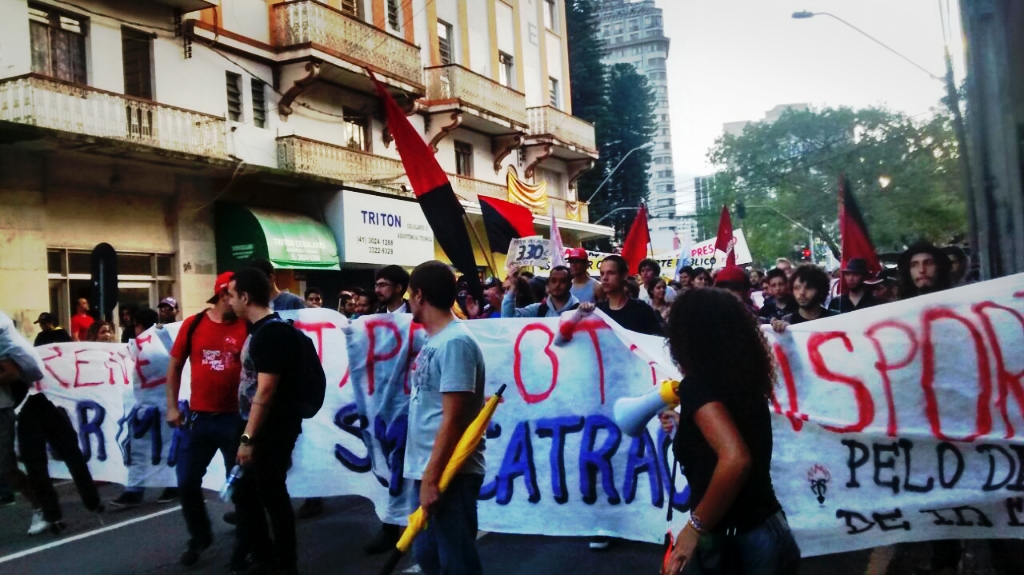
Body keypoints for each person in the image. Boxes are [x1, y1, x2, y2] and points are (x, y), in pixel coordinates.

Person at [662, 288, 800, 575]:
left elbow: (736, 459)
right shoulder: (743, 379)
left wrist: (693, 528)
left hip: (739, 545)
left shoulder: (698, 386)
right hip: (765, 531)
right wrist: (683, 423)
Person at [404, 261, 486, 575]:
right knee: (429, 557)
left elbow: (453, 419)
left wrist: (431, 478)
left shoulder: (455, 343)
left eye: (410, 294)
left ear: (420, 295)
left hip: (451, 473)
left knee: (456, 563)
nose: (408, 301)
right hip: (430, 469)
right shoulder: (437, 340)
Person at [165, 272, 249, 568]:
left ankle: (245, 544)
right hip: (199, 418)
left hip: (234, 420)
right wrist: (172, 406)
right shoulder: (194, 325)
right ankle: (199, 536)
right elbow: (174, 366)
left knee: (240, 486)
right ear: (221, 295)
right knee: (187, 481)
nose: (238, 300)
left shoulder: (247, 325)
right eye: (233, 294)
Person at [229, 267, 307, 575]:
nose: (229, 301)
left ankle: (284, 564)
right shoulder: (261, 330)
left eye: (232, 295)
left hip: (269, 431)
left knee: (272, 497)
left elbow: (265, 390)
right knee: (249, 494)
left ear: (245, 297)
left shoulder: (271, 333)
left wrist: (247, 440)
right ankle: (263, 556)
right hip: (259, 427)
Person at [1, 310, 104, 536]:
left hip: (27, 406)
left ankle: (73, 507)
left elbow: (11, 374)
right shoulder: (11, 344)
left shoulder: (7, 348)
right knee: (53, 458)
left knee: (50, 458)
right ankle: (60, 512)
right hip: (32, 404)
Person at [109, 308, 179, 508]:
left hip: (162, 404)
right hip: (145, 405)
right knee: (146, 447)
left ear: (140, 325)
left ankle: (164, 486)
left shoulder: (155, 343)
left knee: (158, 447)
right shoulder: (150, 343)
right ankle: (137, 489)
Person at [585, 255, 664, 338]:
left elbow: (657, 339)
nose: (604, 278)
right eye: (602, 273)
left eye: (611, 273)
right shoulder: (597, 311)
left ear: (624, 276)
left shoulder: (642, 309)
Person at [771, 264, 837, 332]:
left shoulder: (836, 318)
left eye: (808, 287)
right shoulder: (786, 322)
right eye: (797, 288)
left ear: (821, 290)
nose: (801, 292)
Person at [502, 266, 580, 318]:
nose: (557, 285)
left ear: (570, 285)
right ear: (548, 284)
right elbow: (509, 318)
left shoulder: (580, 311)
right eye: (553, 281)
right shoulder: (538, 310)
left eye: (563, 281)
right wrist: (513, 286)